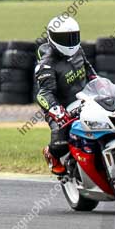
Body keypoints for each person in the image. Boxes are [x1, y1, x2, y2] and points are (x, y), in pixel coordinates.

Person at [35, 16, 98, 175]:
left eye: (73, 37)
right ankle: (50, 153)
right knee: (60, 144)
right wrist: (56, 111)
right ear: (52, 38)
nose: (70, 42)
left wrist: (101, 86)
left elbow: (90, 72)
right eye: (64, 38)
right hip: (60, 108)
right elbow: (44, 93)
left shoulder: (78, 51)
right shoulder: (46, 64)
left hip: (86, 99)